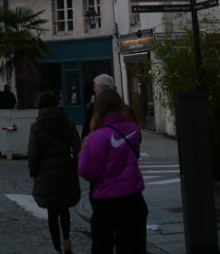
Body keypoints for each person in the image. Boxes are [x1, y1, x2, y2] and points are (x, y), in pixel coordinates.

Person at [77, 88, 147, 253]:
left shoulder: (97, 137)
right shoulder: (132, 130)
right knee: (134, 247)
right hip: (133, 198)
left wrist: (83, 152)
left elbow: (88, 172)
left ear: (98, 108)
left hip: (107, 202)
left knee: (102, 246)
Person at [28, 91, 81, 254]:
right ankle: (67, 242)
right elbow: (78, 147)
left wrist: (34, 172)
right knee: (64, 210)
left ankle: (57, 247)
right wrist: (74, 164)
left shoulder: (37, 126)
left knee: (52, 213)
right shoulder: (67, 122)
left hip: (46, 172)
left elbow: (33, 153)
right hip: (66, 170)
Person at [81, 73, 116, 138]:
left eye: (95, 86)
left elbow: (85, 134)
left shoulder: (93, 109)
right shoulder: (124, 108)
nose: (94, 89)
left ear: (100, 88)